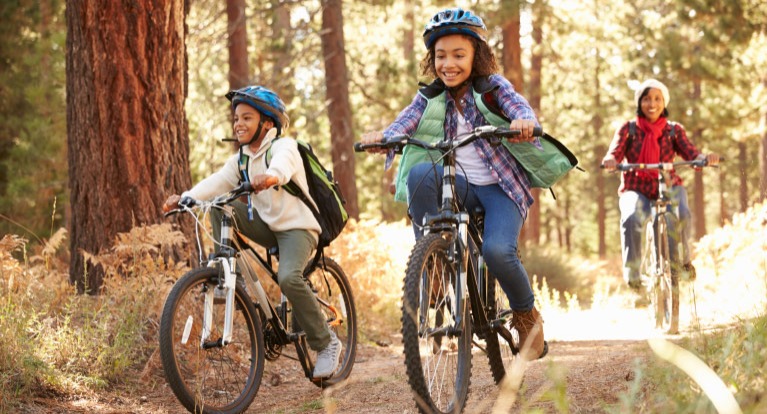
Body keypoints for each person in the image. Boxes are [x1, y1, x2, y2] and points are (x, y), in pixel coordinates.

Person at [361, 7, 546, 361]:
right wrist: (385, 138)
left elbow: (518, 106)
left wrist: (523, 121)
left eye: (459, 55)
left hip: (499, 189)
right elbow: (405, 123)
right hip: (457, 185)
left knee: (496, 252)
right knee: (418, 175)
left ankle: (526, 315)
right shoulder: (430, 96)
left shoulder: (493, 87)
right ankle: (435, 263)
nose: (449, 63)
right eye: (441, 55)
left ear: (477, 55)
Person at [162, 85, 342, 378]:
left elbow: (282, 168)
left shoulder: (285, 147)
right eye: (235, 119)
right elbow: (217, 182)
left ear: (267, 123)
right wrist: (186, 198)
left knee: (288, 277)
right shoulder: (241, 159)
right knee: (221, 204)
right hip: (269, 227)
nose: (238, 124)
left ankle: (326, 343)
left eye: (247, 117)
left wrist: (270, 177)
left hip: (299, 228)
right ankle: (226, 269)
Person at [602, 78, 720, 292]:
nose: (652, 104)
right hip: (635, 187)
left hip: (669, 185)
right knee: (631, 217)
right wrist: (611, 160)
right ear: (639, 102)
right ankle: (634, 275)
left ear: (664, 102)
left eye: (657, 99)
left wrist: (703, 158)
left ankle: (683, 263)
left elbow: (691, 153)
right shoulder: (628, 129)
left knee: (682, 213)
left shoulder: (674, 130)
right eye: (647, 99)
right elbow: (615, 152)